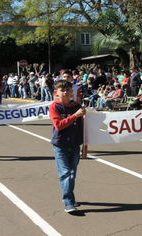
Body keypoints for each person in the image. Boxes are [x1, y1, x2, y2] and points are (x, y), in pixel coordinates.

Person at [49, 80, 86, 213]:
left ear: (72, 91)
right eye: (62, 90)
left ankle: (69, 197)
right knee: (66, 174)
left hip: (75, 144)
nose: (65, 93)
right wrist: (75, 116)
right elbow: (58, 126)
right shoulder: (55, 107)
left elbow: (83, 126)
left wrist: (84, 144)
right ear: (56, 93)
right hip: (60, 145)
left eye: (67, 90)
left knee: (72, 174)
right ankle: (68, 202)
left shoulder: (77, 106)